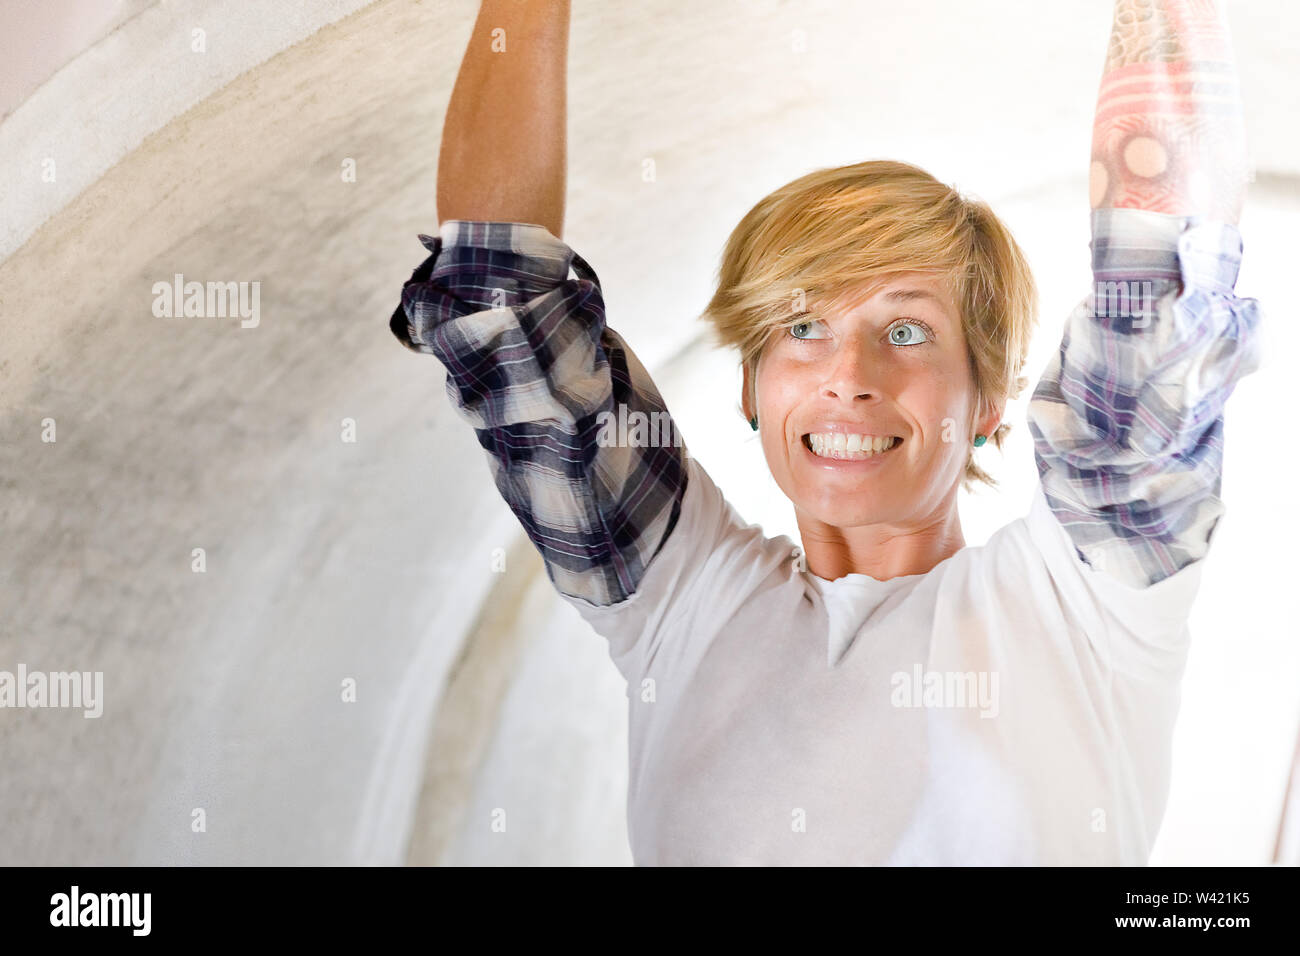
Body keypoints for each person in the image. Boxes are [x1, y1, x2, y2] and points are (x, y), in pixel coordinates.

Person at [389, 0, 1261, 864]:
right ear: (750, 390)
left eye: (908, 331)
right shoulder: (683, 606)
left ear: (988, 401)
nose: (849, 375)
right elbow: (500, 303)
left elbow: (1159, 281)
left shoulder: (1086, 608)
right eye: (803, 329)